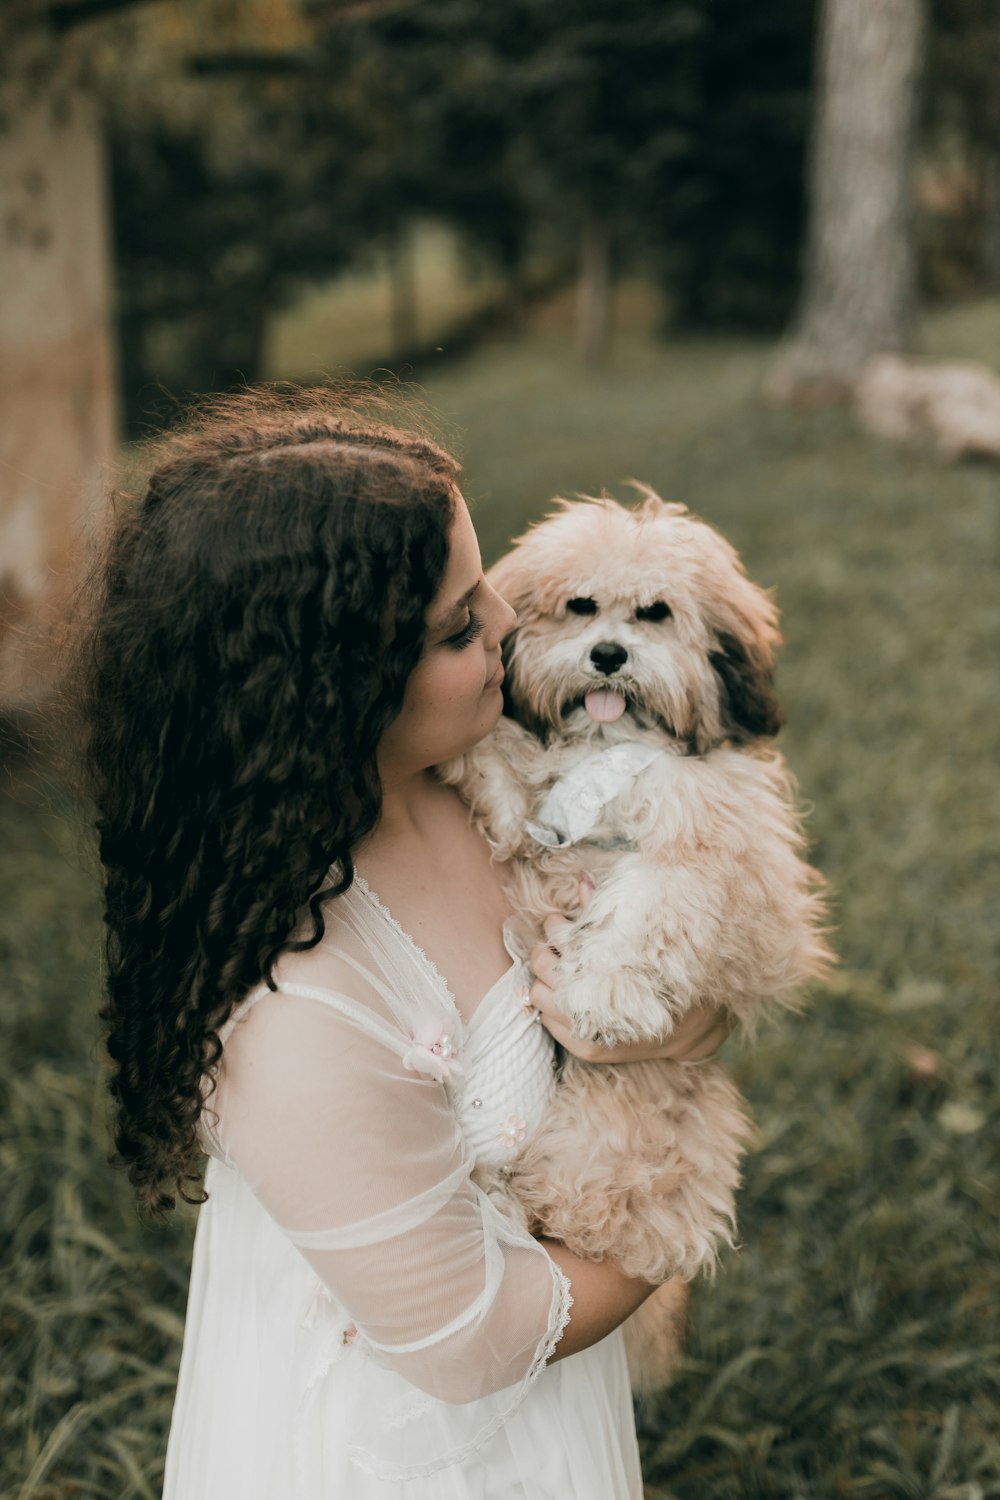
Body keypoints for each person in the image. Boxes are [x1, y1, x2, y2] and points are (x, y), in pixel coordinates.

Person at [76, 388, 728, 1499]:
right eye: (455, 629)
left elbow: (687, 943)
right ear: (328, 692)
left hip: (553, 1396)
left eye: (484, 586)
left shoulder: (481, 770)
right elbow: (473, 1342)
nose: (509, 625)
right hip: (407, 1450)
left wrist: (687, 1020)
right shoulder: (296, 1006)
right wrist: (675, 1215)